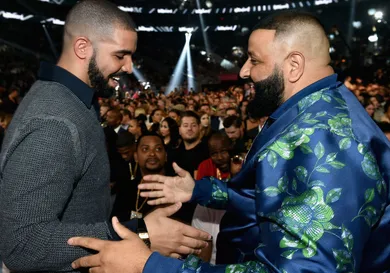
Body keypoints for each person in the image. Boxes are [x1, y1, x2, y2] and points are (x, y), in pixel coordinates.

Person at [70, 11, 390, 273]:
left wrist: (150, 265)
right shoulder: (306, 113)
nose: (244, 71)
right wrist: (201, 190)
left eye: (254, 59)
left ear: (293, 65)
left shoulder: (324, 139)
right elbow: (273, 200)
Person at [0, 1, 209, 272]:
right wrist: (141, 233)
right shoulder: (54, 123)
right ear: (83, 48)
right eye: (120, 55)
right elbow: (21, 245)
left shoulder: (76, 101)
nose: (129, 67)